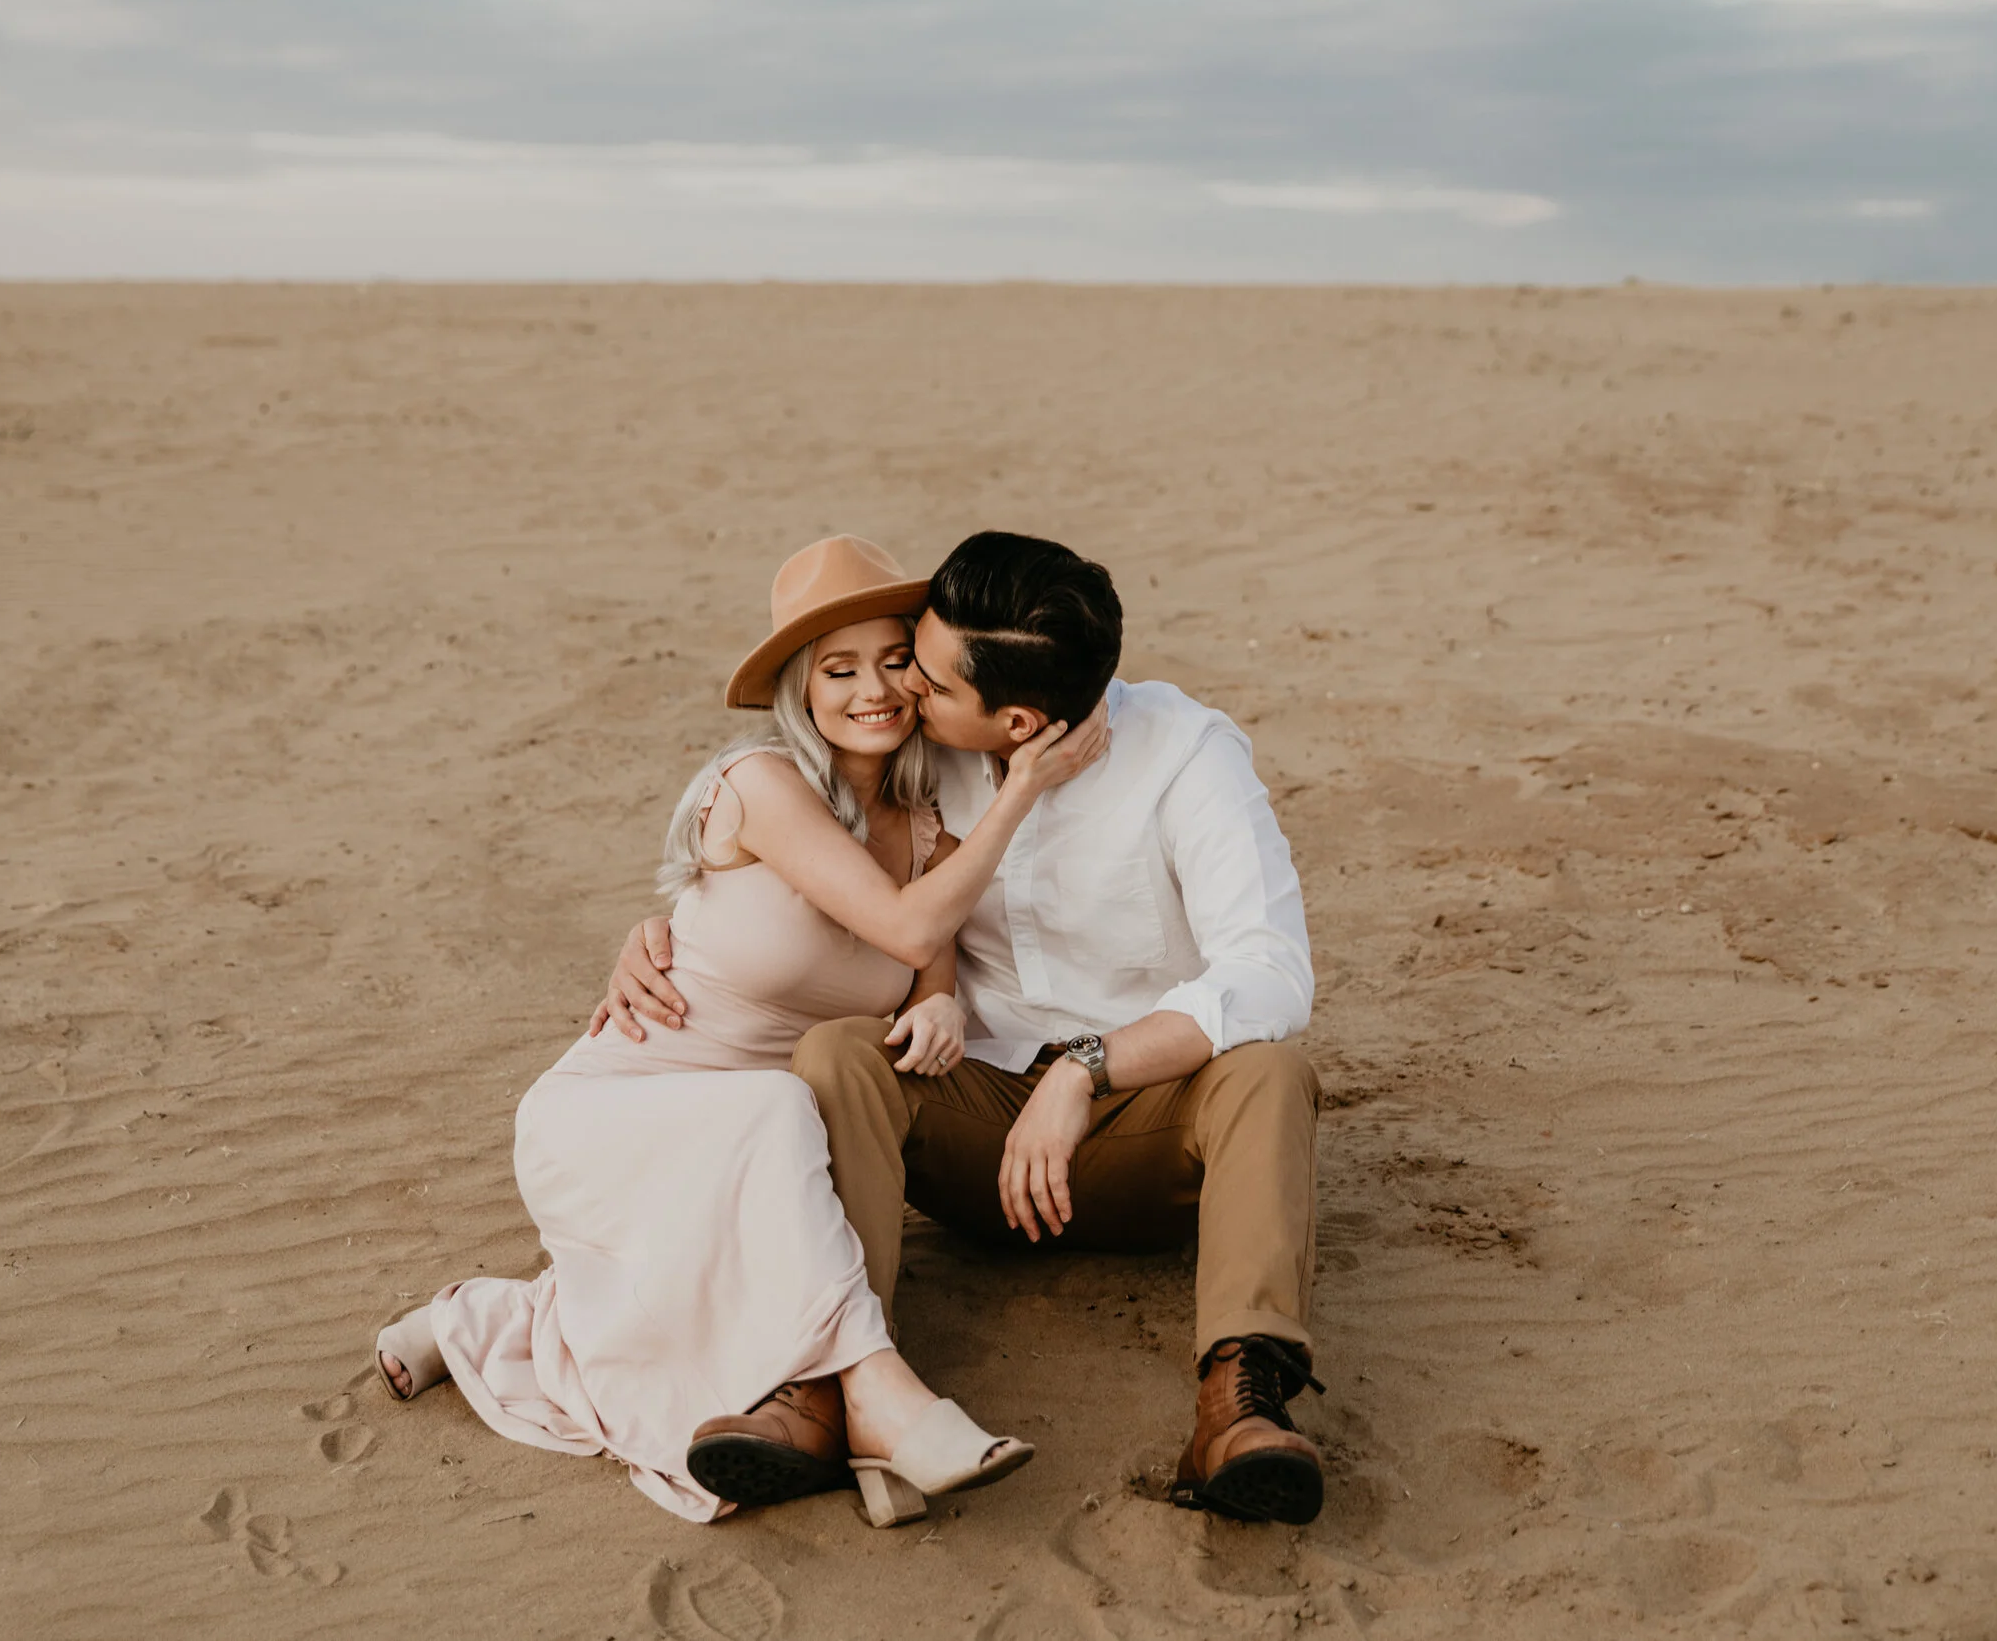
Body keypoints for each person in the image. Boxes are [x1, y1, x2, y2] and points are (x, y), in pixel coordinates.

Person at [595, 530, 1328, 1525]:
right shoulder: (915, 750)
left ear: (1017, 718)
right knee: (836, 1054)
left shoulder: (1185, 752)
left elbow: (1271, 966)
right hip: (968, 1127)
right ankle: (820, 1380)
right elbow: (784, 858)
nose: (900, 693)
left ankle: (1239, 1405)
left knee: (1270, 1070)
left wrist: (1086, 1069)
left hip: (1135, 1132)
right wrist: (662, 934)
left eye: (925, 677)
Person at [371, 535, 1107, 1525]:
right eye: (837, 669)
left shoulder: (929, 824)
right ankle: (885, 1401)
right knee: (777, 1105)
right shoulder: (760, 783)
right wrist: (1023, 785)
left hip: (756, 1143)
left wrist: (939, 1002)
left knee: (728, 1254)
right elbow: (905, 925)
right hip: (618, 1110)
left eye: (895, 659)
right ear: (801, 687)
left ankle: (483, 1318)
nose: (873, 690)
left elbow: (932, 959)